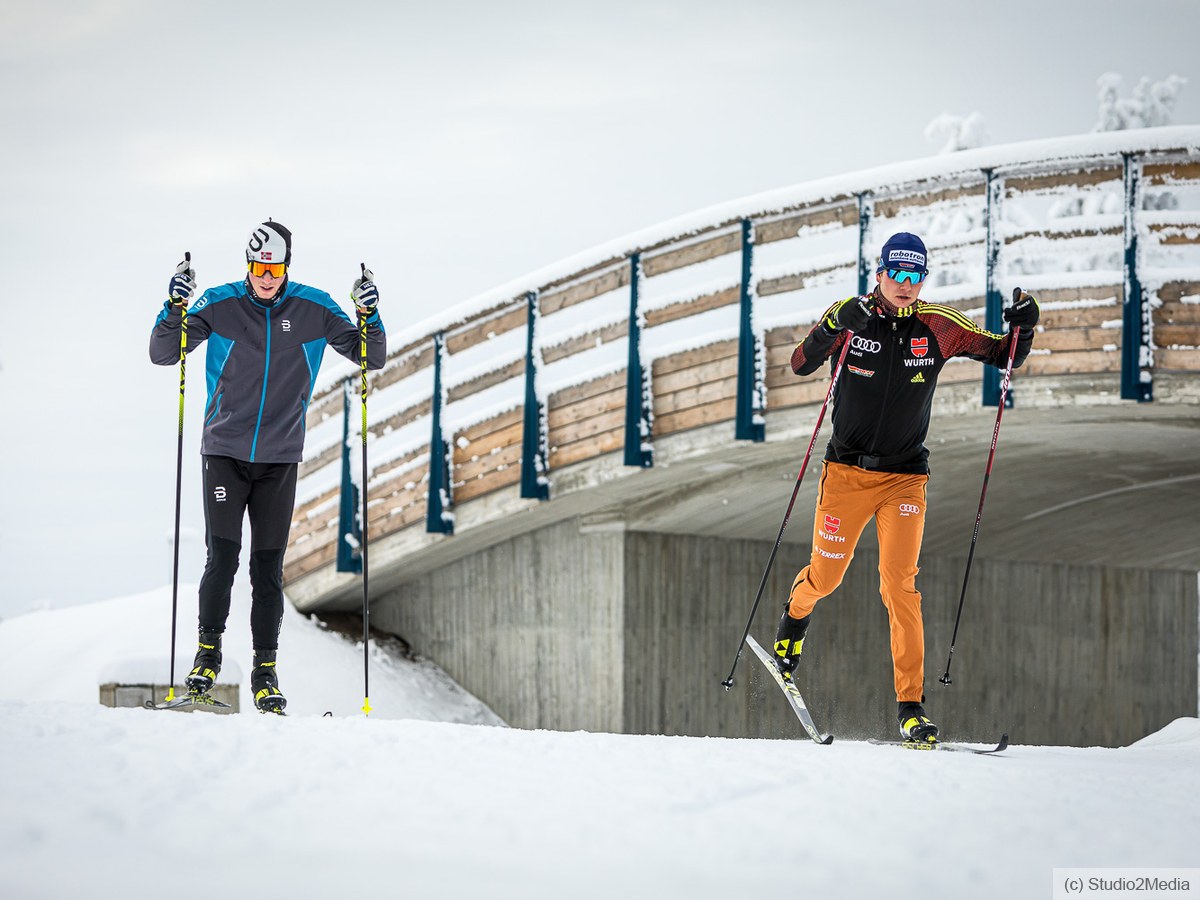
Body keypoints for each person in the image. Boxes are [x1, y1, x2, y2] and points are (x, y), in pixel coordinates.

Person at [774, 232, 1039, 742]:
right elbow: (800, 364)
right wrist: (832, 326)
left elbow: (1006, 355)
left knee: (900, 587)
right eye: (896, 273)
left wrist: (1025, 327)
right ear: (880, 274)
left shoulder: (938, 327)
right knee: (825, 578)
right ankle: (792, 625)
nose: (904, 284)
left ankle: (911, 707)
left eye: (915, 275)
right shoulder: (851, 317)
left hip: (905, 480)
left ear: (923, 279)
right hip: (847, 476)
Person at [149, 220, 387, 713]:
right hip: (225, 452)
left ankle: (265, 671)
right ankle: (206, 659)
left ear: (286, 266)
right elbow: (163, 352)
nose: (266, 277)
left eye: (274, 268)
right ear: (248, 264)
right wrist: (173, 305)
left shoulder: (315, 309)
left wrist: (370, 314)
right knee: (224, 556)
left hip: (279, 459)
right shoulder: (219, 302)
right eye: (258, 267)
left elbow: (370, 355)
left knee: (267, 567)